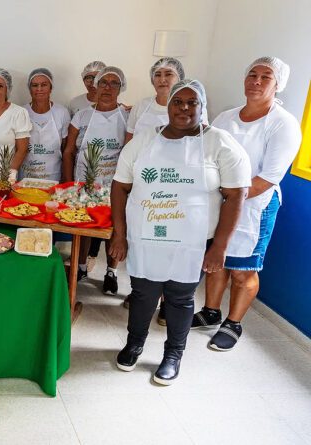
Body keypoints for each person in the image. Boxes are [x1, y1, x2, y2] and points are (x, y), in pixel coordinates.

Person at [109, 80, 250, 385]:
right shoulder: (146, 140)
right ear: (169, 105)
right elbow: (120, 186)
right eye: (178, 102)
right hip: (146, 238)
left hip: (194, 243)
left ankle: (173, 354)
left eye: (192, 103)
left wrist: (220, 247)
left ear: (202, 107)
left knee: (180, 298)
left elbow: (236, 195)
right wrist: (119, 234)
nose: (184, 108)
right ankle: (134, 344)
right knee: (143, 294)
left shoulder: (219, 143)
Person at [192, 57, 302, 351]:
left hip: (256, 207)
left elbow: (267, 178)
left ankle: (233, 323)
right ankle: (211, 312)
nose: (256, 81)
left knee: (243, 269)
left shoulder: (283, 125)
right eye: (252, 74)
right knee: (217, 262)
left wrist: (226, 198)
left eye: (265, 77)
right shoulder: (226, 118)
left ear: (278, 85)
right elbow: (205, 156)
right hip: (221, 201)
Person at [63, 66, 129, 294]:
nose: (108, 87)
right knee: (83, 228)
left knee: (114, 229)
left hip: (115, 185)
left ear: (121, 88)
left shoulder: (127, 117)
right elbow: (69, 151)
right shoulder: (81, 116)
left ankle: (111, 272)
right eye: (103, 83)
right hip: (84, 183)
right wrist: (70, 184)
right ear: (96, 86)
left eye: (114, 83)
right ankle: (80, 267)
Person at [126, 58, 206, 143]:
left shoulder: (194, 109)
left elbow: (202, 142)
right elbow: (128, 142)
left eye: (168, 74)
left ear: (179, 80)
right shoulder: (140, 106)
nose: (162, 80)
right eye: (157, 75)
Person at [22, 68, 71, 182]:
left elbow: (65, 149)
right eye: (35, 85)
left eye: (44, 85)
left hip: (53, 177)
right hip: (25, 177)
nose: (39, 89)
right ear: (30, 89)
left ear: (51, 88)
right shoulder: (22, 112)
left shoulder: (61, 112)